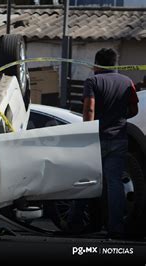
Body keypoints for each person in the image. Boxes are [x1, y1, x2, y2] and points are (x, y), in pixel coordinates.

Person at [81, 48, 139, 238]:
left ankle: (83, 223)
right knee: (114, 183)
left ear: (97, 63)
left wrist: (85, 132)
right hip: (118, 138)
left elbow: (89, 108)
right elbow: (133, 110)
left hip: (96, 138)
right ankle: (115, 228)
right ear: (116, 63)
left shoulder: (93, 81)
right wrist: (119, 117)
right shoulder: (127, 82)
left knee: (87, 181)